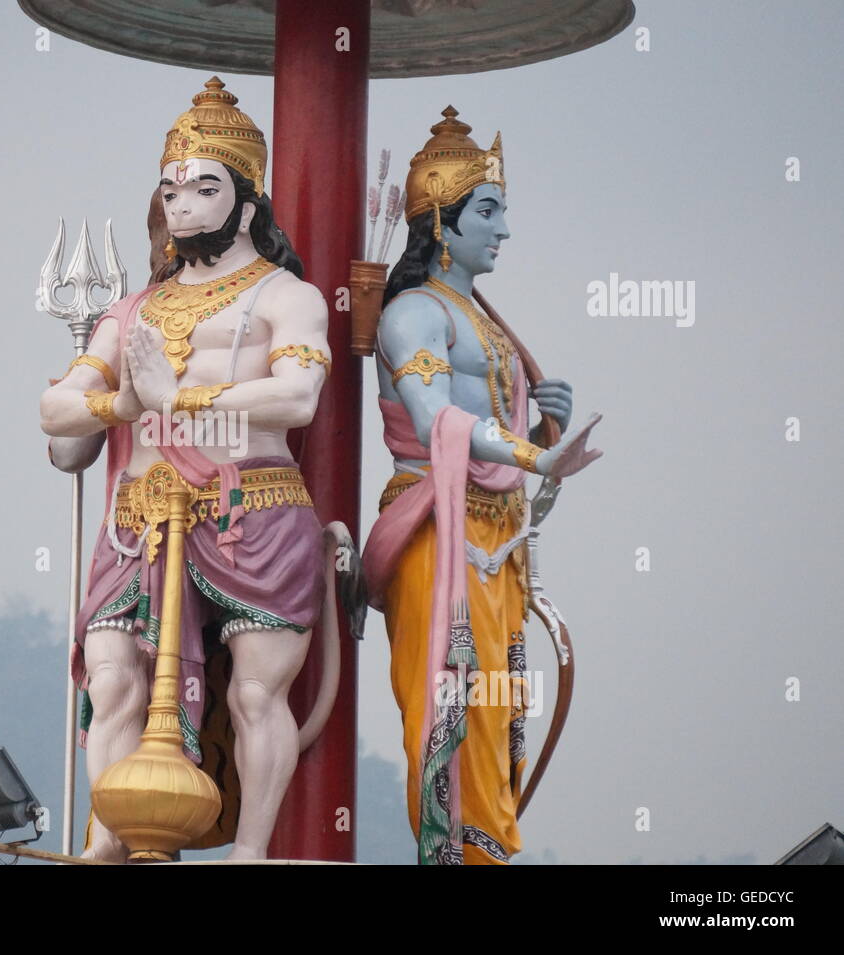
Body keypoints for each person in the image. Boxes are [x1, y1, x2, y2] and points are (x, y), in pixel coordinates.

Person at [40, 77, 345, 862]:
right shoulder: (132, 311)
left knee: (255, 691)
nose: (182, 205)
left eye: (205, 187)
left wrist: (181, 399)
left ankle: (251, 850)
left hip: (252, 508)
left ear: (246, 206)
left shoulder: (288, 297)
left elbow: (299, 396)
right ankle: (112, 837)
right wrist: (120, 403)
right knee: (113, 679)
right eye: (171, 190)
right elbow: (56, 410)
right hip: (139, 517)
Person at [363, 106, 602, 864]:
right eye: (489, 212)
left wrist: (543, 427)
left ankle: (490, 852)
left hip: (496, 535)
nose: (504, 230)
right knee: (450, 706)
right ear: (440, 220)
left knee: (498, 708)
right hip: (435, 524)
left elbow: (487, 424)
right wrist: (536, 458)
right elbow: (437, 420)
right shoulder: (413, 314)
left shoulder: (482, 319)